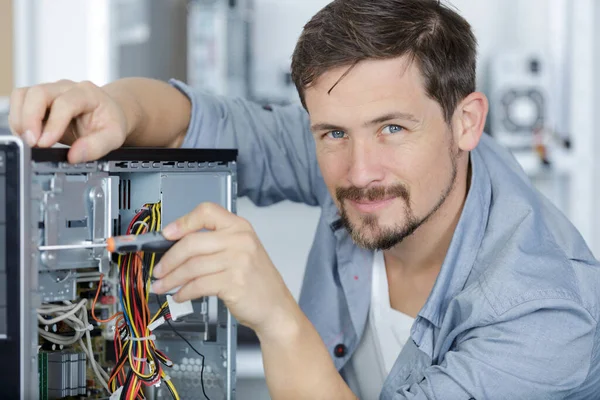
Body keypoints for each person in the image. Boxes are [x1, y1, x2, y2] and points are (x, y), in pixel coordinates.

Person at [8, 0, 600, 398]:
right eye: (332, 133)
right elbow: (203, 121)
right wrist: (115, 107)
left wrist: (277, 319)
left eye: (393, 128)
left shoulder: (543, 317)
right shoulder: (360, 150)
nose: (361, 171)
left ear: (465, 123)